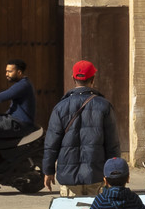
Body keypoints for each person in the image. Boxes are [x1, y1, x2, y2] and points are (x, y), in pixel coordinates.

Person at [41, 60, 118, 194]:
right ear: (93, 79)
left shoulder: (60, 107)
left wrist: (48, 170)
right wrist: (115, 173)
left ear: (73, 78)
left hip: (68, 176)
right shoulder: (104, 106)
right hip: (96, 174)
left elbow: (51, 143)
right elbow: (112, 144)